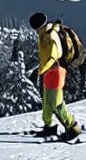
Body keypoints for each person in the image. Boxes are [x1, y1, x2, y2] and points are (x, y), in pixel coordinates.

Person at [30, 11, 80, 142]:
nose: (35, 32)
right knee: (47, 101)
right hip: (48, 72)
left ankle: (73, 128)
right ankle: (49, 126)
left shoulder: (51, 35)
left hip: (57, 72)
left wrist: (39, 71)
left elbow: (53, 56)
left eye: (36, 29)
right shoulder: (44, 34)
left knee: (56, 103)